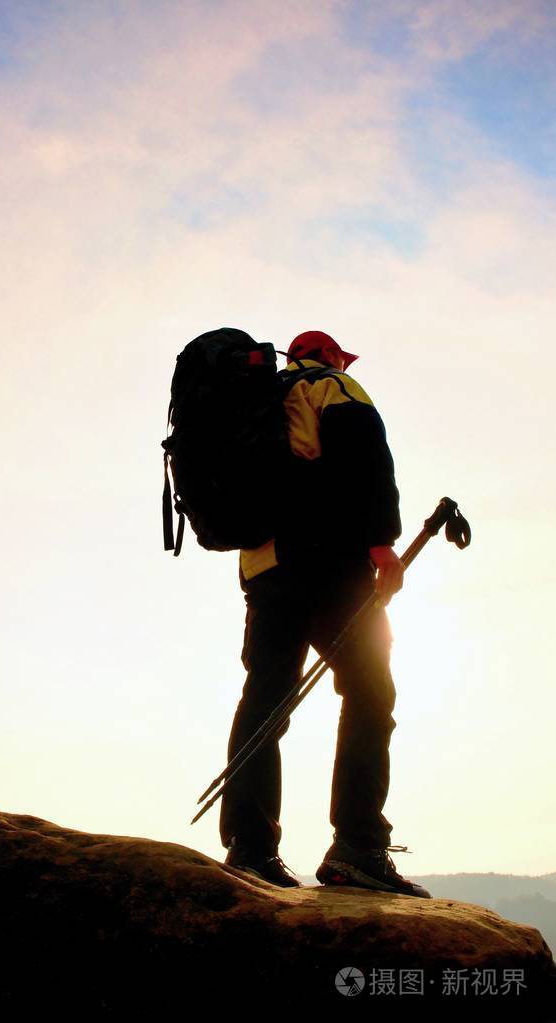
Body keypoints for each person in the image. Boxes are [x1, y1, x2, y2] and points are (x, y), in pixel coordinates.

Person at [220, 329, 430, 898]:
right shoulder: (333, 386)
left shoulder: (254, 402)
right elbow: (365, 460)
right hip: (330, 564)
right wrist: (382, 542)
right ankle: (358, 848)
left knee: (265, 698)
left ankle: (250, 847)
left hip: (263, 570)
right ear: (332, 356)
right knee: (369, 692)